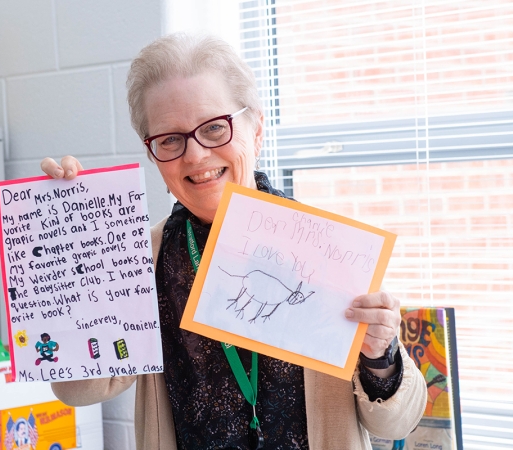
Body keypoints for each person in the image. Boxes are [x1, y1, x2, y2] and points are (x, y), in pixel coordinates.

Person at [42, 33, 427, 449]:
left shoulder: (329, 249)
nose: (195, 156)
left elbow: (397, 423)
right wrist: (77, 240)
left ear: (256, 128)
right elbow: (79, 389)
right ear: (153, 154)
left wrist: (380, 356)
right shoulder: (140, 258)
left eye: (213, 127)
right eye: (170, 139)